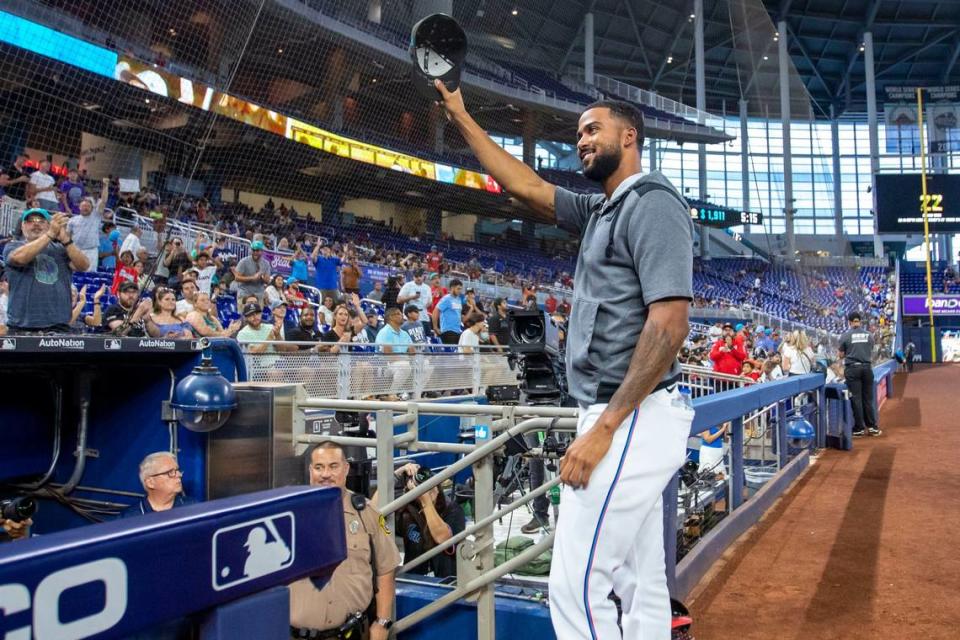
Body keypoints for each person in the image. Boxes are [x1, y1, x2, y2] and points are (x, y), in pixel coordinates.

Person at [437, 84, 694, 639]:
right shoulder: (605, 206)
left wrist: (604, 428)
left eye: (591, 129)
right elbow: (524, 185)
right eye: (578, 132)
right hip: (625, 417)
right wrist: (460, 114)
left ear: (629, 137)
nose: (580, 139)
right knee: (640, 583)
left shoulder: (652, 203)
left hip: (630, 417)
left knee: (574, 586)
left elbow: (669, 325)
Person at [289, 443, 399, 640]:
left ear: (346, 468)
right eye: (319, 467)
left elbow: (386, 570)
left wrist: (382, 623)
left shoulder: (367, 513)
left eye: (333, 466)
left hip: (352, 633)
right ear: (310, 470)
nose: (325, 474)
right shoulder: (289, 515)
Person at [3, 208, 90, 333]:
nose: (36, 223)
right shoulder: (13, 246)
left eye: (41, 221)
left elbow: (83, 265)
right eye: (30, 221)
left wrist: (66, 239)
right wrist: (50, 234)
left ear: (49, 225)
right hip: (22, 326)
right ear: (22, 226)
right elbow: (19, 259)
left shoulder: (61, 249)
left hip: (59, 326)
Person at [384, 463, 465, 579]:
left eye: (432, 487)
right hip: (413, 580)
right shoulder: (407, 509)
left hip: (445, 581)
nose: (429, 492)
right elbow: (375, 513)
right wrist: (396, 475)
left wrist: (425, 501)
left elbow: (443, 538)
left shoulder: (453, 510)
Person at [839, 312, 880, 437]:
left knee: (856, 399)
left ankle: (859, 428)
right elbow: (871, 349)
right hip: (867, 368)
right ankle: (872, 427)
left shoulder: (845, 335)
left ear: (850, 322)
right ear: (860, 321)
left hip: (853, 369)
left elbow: (840, 355)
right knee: (868, 399)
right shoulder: (869, 335)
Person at [121, 452, 194, 517]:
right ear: (150, 483)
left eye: (177, 470)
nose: (179, 475)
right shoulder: (129, 518)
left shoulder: (193, 508)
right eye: (170, 472)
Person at [66, 179, 109, 271]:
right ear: (79, 207)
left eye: (88, 206)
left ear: (92, 208)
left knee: (89, 276)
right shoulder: (72, 220)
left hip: (91, 251)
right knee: (73, 274)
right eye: (83, 206)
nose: (85, 208)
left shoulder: (96, 216)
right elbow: (67, 236)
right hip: (76, 251)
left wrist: (105, 186)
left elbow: (104, 201)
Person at [432, 278, 463, 345]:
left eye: (461, 289)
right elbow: (435, 311)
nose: (460, 291)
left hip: (457, 330)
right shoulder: (446, 299)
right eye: (458, 289)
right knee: (450, 354)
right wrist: (435, 327)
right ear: (452, 288)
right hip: (448, 331)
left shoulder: (459, 299)